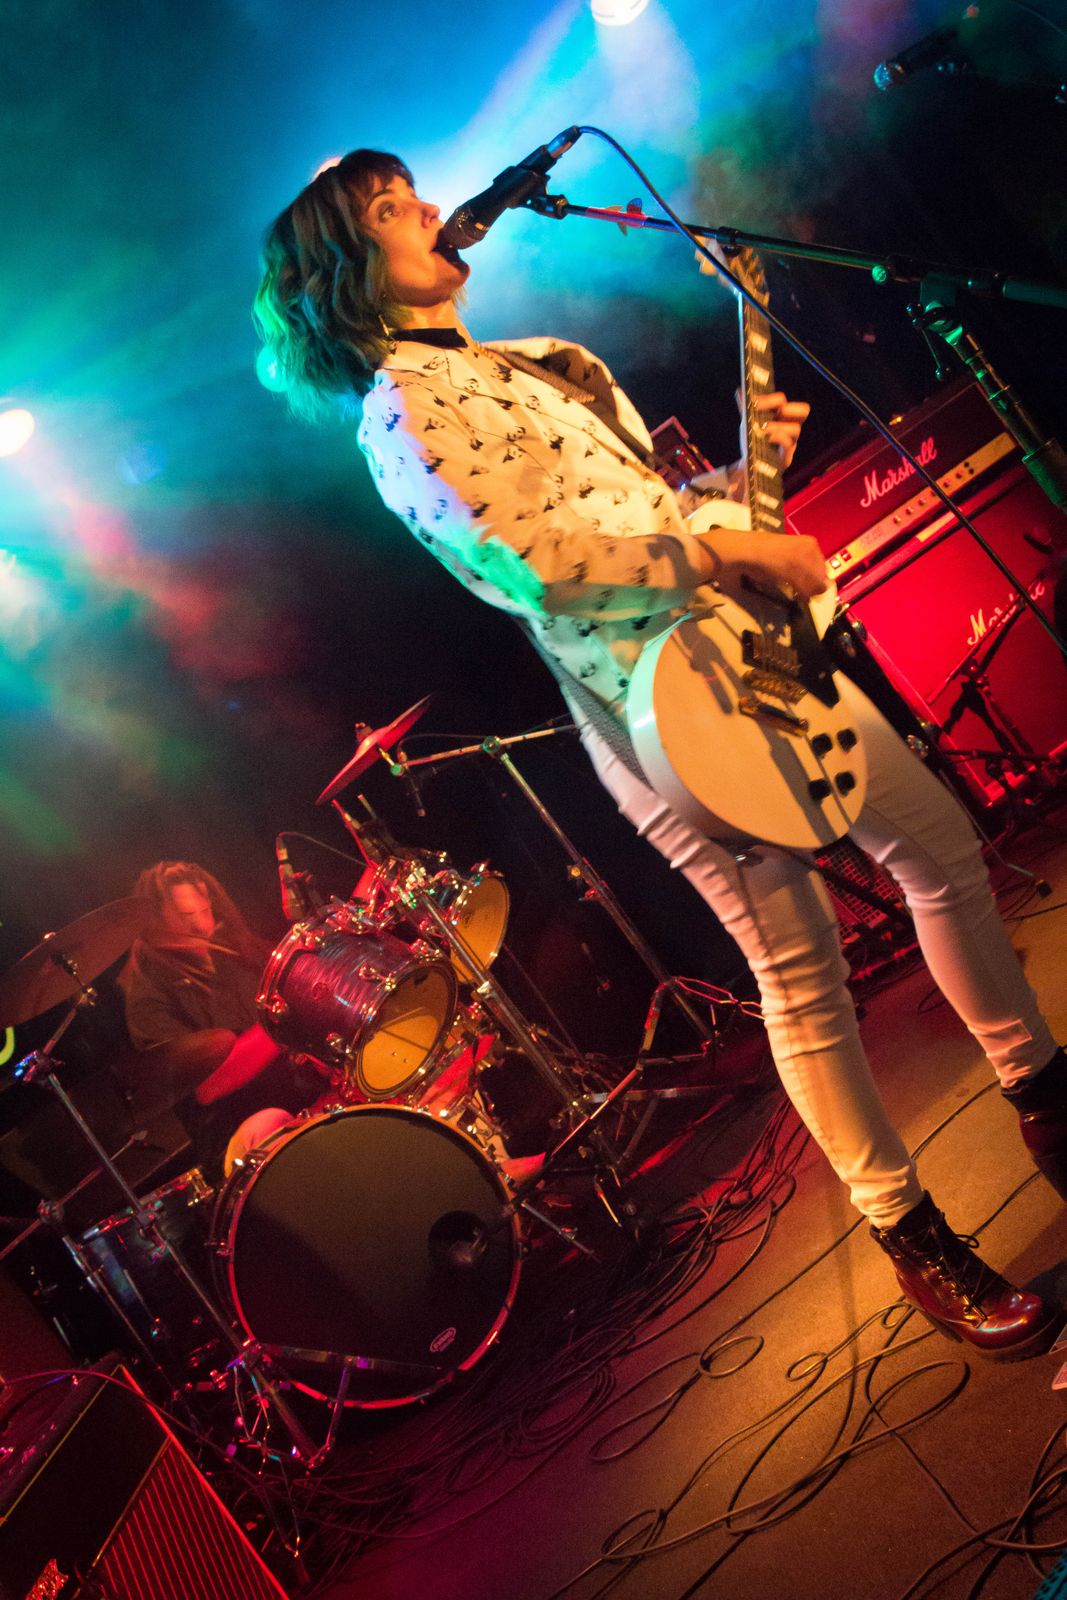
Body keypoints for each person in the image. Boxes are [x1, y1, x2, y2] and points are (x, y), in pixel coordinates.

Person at [253, 149, 1067, 1359]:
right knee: (800, 971)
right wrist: (724, 552)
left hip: (734, 649)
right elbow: (539, 568)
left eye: (411, 190)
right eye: (388, 208)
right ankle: (912, 1236)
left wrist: (740, 482)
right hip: (655, 708)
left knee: (939, 849)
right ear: (345, 275)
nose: (427, 206)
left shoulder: (516, 364)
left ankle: (1046, 1098)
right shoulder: (404, 411)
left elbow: (638, 513)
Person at [118, 861, 321, 1179]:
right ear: (156, 921)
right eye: (186, 916)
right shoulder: (148, 997)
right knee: (269, 1122)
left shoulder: (237, 953)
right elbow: (207, 1087)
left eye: (205, 911)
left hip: (302, 1097)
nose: (201, 926)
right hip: (237, 1135)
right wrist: (280, 1016)